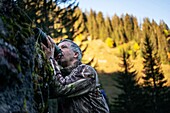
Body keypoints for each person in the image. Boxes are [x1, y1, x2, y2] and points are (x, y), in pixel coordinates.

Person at [41, 36, 110, 113]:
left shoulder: (86, 71)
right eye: (58, 47)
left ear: (75, 54)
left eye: (64, 47)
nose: (59, 50)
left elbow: (61, 88)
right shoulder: (60, 75)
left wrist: (51, 59)